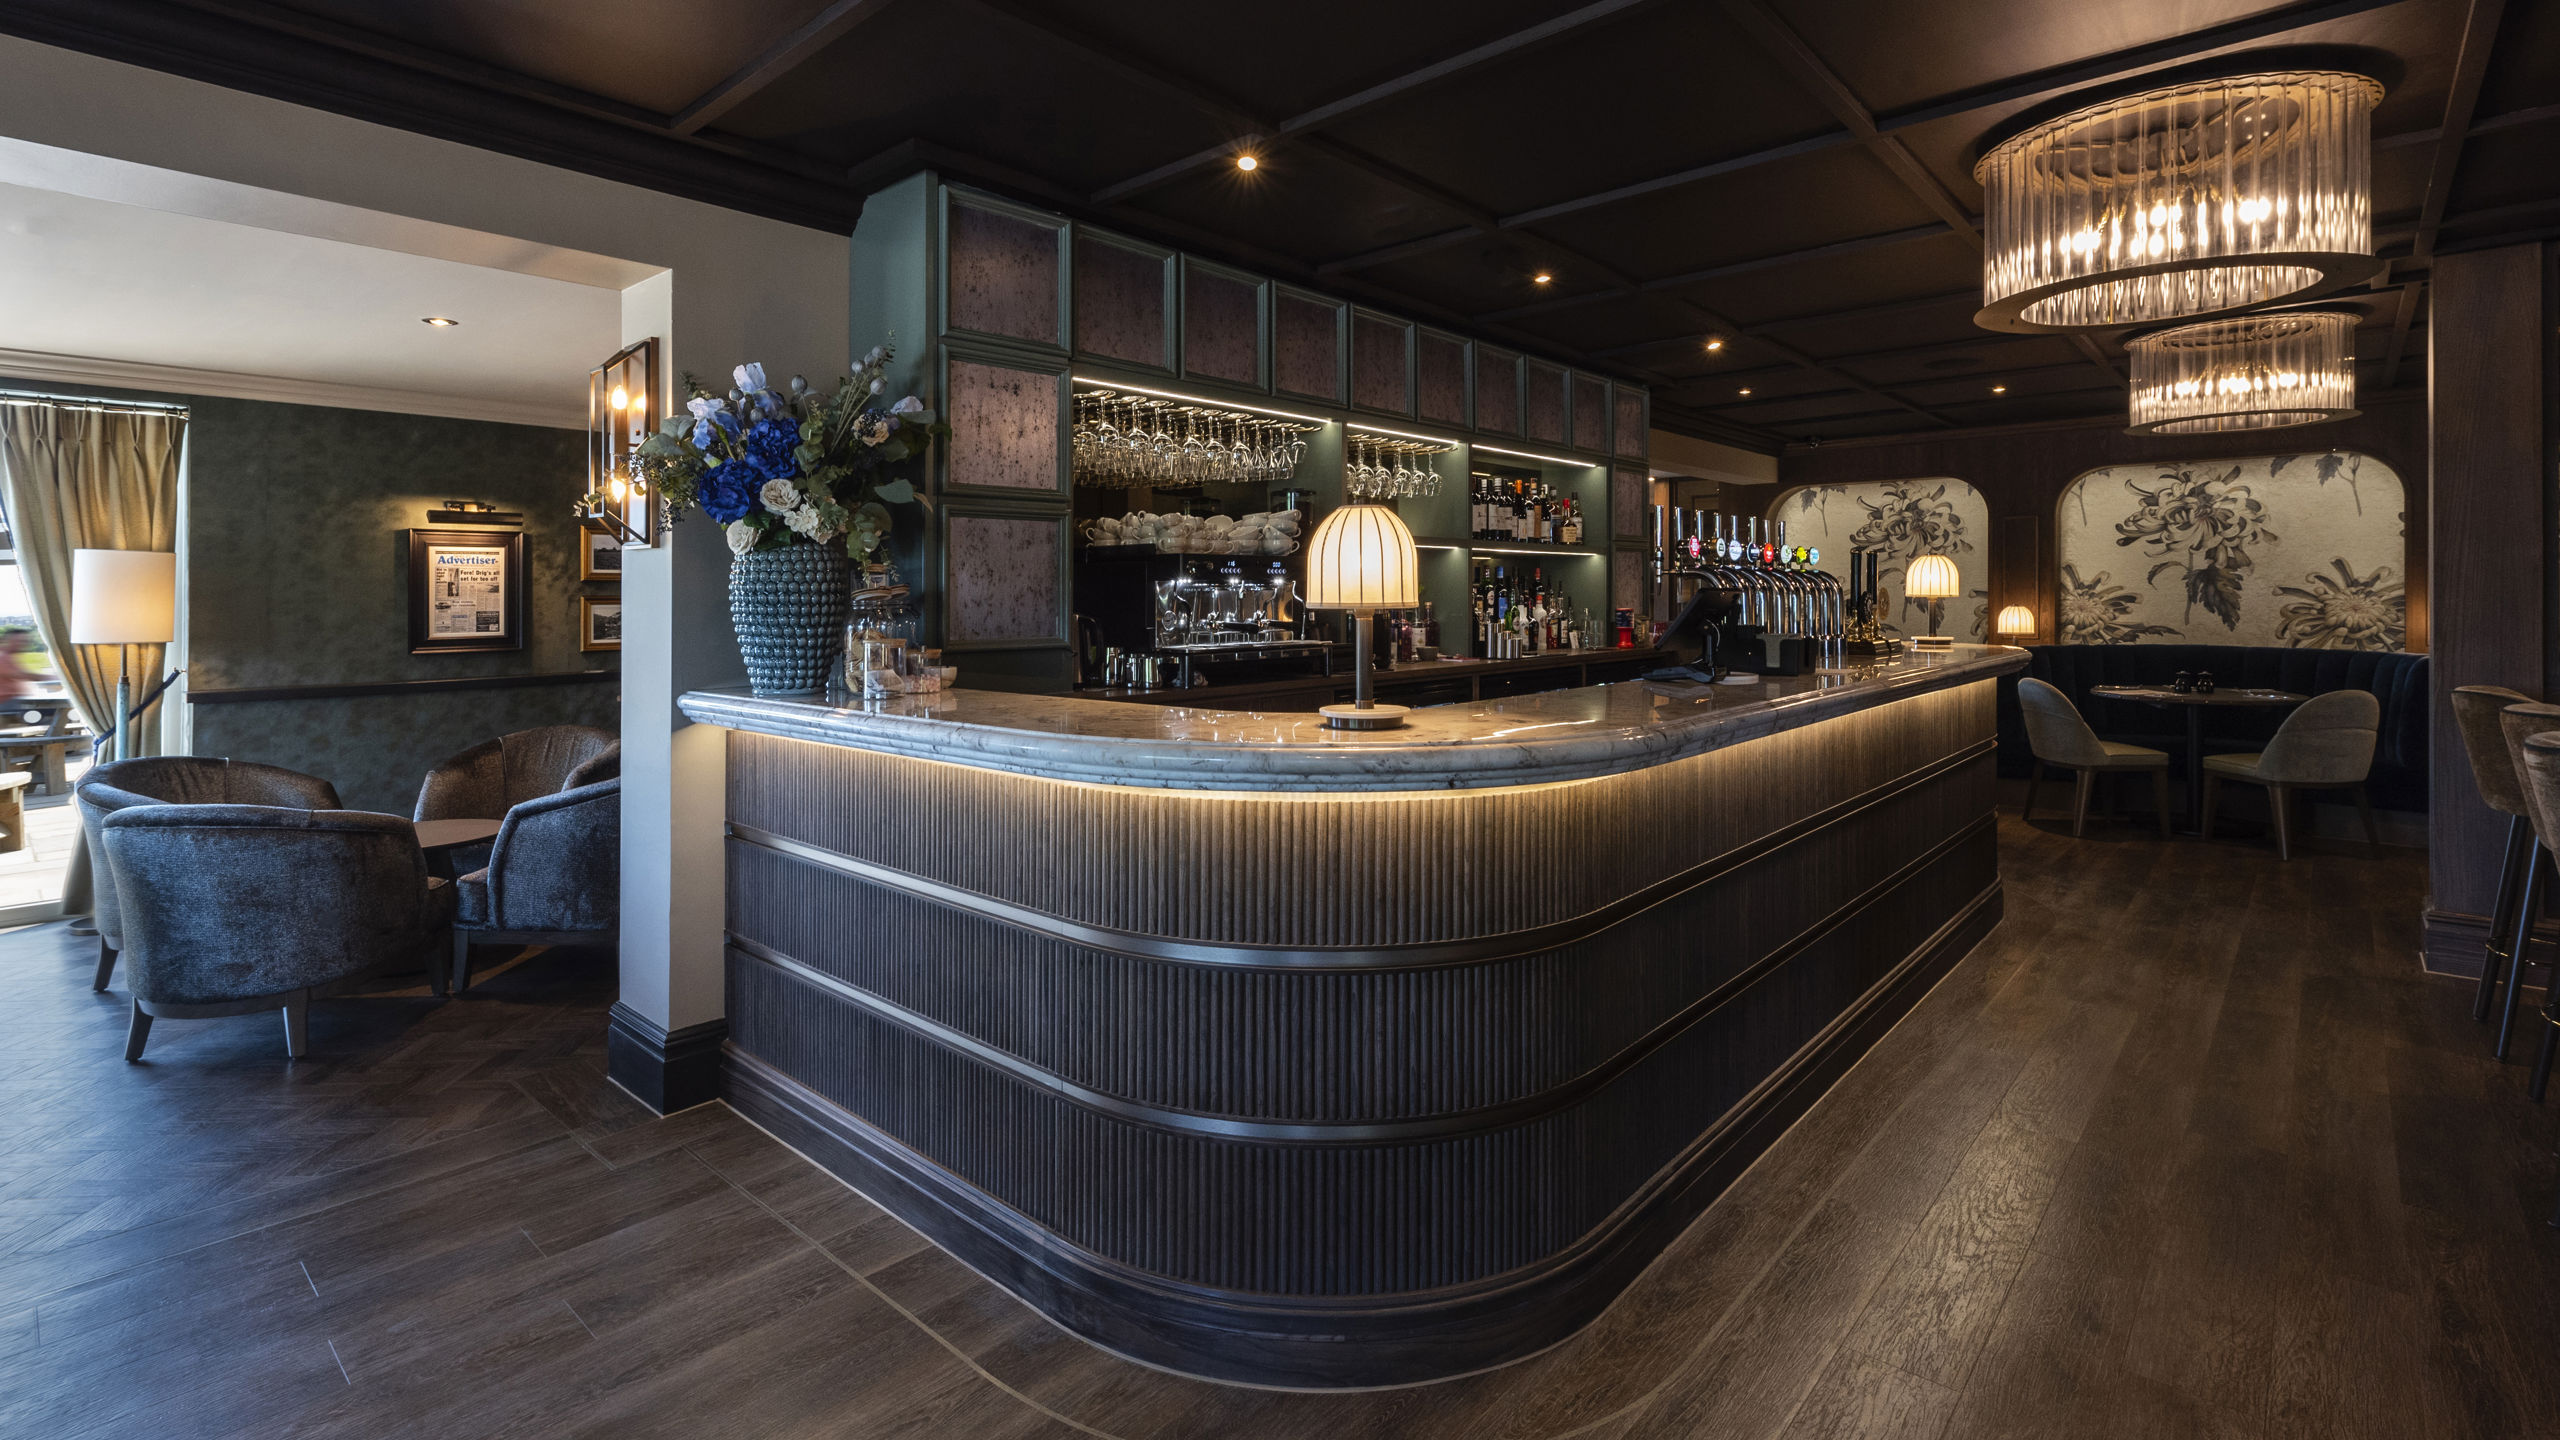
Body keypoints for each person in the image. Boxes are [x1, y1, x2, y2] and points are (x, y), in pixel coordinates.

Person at [0, 629, 42, 704]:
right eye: (18, 641)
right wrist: (52, 677)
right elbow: (22, 675)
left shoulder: (10, 656)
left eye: (25, 641)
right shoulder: (2, 657)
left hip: (15, 701)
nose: (22, 644)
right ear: (6, 641)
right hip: (7, 703)